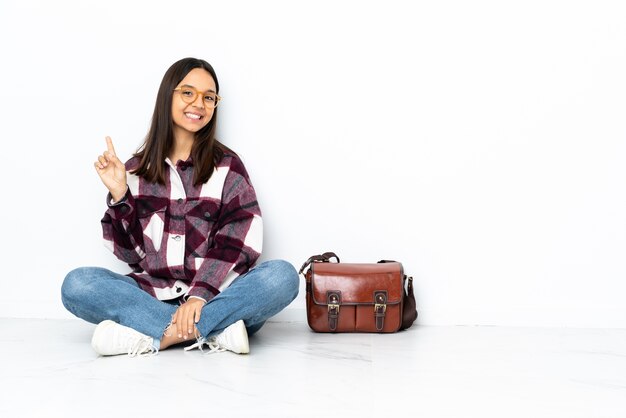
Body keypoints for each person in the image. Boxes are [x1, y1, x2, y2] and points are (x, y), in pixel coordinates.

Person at [61, 57, 299, 357]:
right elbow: (130, 256)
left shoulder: (227, 167)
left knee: (281, 276)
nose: (199, 103)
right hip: (153, 297)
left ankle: (157, 337)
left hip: (217, 298)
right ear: (168, 96)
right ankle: (215, 333)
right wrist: (121, 195)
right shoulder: (134, 170)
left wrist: (199, 296)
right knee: (77, 284)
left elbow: (236, 243)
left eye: (208, 97)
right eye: (188, 92)